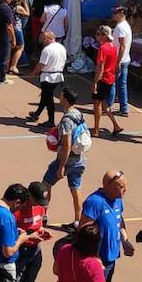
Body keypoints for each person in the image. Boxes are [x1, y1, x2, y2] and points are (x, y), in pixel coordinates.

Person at [42, 88, 89, 227]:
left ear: (66, 100)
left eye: (62, 96)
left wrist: (61, 166)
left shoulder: (66, 121)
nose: (60, 97)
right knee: (75, 189)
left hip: (66, 160)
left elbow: (67, 145)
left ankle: (43, 214)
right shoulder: (79, 114)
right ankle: (78, 221)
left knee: (45, 184)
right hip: (79, 159)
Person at [11, 182, 49, 282]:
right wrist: (24, 234)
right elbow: (11, 234)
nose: (39, 205)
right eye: (37, 200)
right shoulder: (17, 210)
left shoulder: (40, 207)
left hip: (35, 253)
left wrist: (41, 232)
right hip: (20, 253)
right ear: (29, 196)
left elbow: (38, 224)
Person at [25, 31, 66, 125]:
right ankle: (37, 113)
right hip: (58, 77)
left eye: (44, 39)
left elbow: (41, 65)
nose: (42, 41)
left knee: (48, 99)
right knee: (45, 96)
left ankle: (51, 121)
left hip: (48, 77)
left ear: (49, 38)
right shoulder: (61, 47)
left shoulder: (47, 50)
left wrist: (33, 74)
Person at [90, 24, 122, 137]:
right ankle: (116, 125)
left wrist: (95, 83)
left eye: (98, 34)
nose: (97, 37)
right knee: (104, 105)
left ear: (104, 35)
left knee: (97, 104)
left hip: (103, 79)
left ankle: (96, 129)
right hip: (110, 78)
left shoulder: (103, 48)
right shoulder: (114, 47)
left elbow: (100, 68)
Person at [111, 6, 133, 116]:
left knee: (113, 83)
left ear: (121, 14)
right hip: (125, 59)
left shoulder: (120, 27)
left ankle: (109, 105)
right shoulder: (125, 26)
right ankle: (123, 108)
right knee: (122, 84)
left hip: (120, 60)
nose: (114, 14)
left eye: (116, 13)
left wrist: (117, 62)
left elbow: (122, 46)